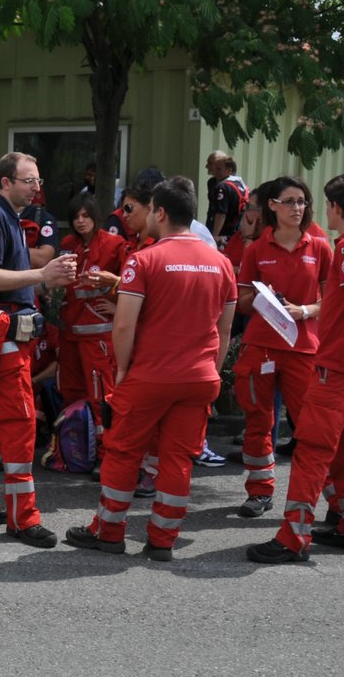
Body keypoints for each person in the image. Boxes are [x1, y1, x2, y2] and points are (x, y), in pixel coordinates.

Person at [65, 177, 235, 560]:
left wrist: (122, 370)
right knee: (177, 459)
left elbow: (124, 324)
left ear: (160, 212)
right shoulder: (222, 263)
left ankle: (109, 531)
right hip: (200, 377)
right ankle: (162, 539)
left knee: (124, 453)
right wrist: (213, 371)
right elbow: (224, 330)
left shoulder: (144, 260)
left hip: (149, 375)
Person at [249, 174, 344, 564]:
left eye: (325, 204)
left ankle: (292, 538)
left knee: (313, 450)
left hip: (338, 365)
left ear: (337, 207)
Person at [0, 152, 78, 547]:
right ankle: (22, 519)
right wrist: (43, 274)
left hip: (8, 335)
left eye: (38, 180)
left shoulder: (4, 215)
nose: (37, 187)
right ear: (4, 182)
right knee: (20, 424)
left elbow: (5, 277)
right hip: (7, 337)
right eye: (29, 180)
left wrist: (44, 281)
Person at [232, 177, 333, 518]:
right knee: (259, 419)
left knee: (310, 425)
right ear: (272, 206)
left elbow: (331, 300)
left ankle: (331, 499)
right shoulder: (256, 249)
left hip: (304, 348)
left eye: (302, 201)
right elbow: (242, 300)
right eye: (289, 201)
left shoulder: (319, 247)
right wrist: (265, 301)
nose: (297, 208)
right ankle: (259, 492)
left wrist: (303, 311)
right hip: (261, 345)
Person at [55, 195, 127, 408]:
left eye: (86, 215)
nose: (81, 221)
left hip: (98, 334)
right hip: (69, 332)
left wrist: (118, 308)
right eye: (76, 216)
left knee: (101, 392)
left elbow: (132, 284)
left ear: (95, 217)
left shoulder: (114, 244)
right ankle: (76, 437)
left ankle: (103, 440)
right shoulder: (68, 244)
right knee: (69, 389)